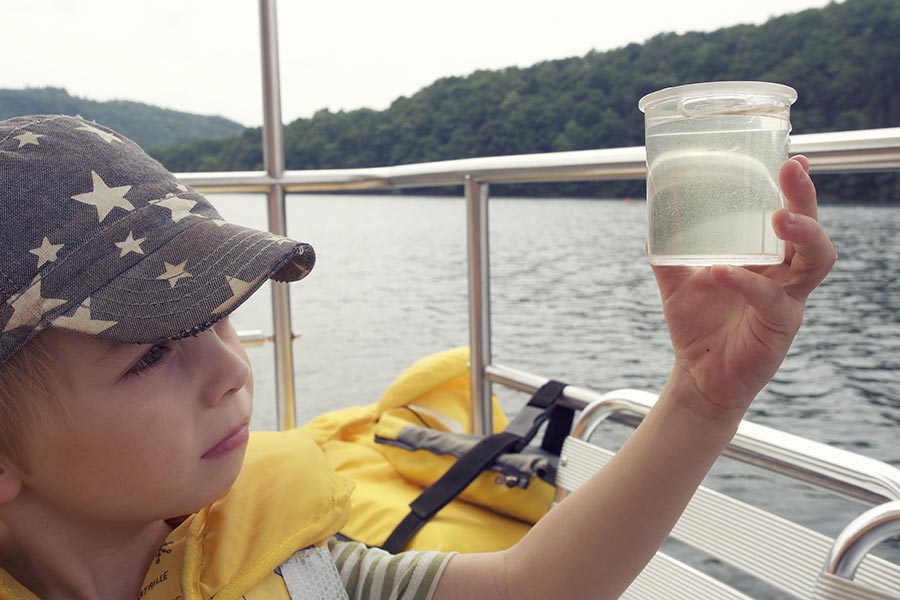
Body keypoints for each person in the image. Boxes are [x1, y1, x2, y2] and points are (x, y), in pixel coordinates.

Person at [0, 114, 836, 600]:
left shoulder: (304, 575)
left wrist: (700, 398)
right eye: (148, 357)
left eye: (223, 319)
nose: (231, 370)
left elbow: (534, 588)